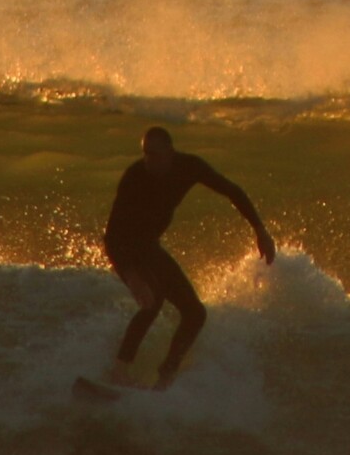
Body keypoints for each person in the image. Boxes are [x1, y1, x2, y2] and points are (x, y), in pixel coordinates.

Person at [103, 125, 274, 387]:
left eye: (156, 155)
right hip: (127, 249)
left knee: (195, 314)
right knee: (152, 302)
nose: (150, 160)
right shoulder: (134, 176)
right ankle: (119, 372)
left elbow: (232, 190)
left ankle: (166, 376)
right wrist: (132, 276)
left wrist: (259, 229)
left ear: (170, 153)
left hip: (150, 246)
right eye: (146, 154)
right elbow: (111, 237)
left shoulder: (188, 167)